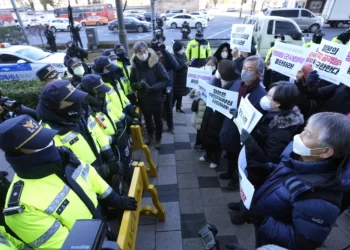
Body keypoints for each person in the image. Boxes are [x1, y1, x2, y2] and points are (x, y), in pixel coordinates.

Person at [0, 115, 137, 249]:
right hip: (88, 243)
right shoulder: (22, 206)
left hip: (101, 224)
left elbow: (90, 175)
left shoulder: (64, 158)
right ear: (18, 153)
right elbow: (62, 245)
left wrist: (114, 198)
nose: (49, 143)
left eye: (45, 137)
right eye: (38, 143)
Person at [247, 112, 350, 249]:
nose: (298, 136)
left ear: (325, 151)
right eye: (304, 129)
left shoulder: (321, 198)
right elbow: (289, 173)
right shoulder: (300, 156)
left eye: (308, 134)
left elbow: (302, 241)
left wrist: (264, 221)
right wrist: (268, 168)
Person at [228, 82, 304, 225]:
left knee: (253, 192)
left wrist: (250, 143)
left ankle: (245, 215)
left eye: (269, 96)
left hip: (260, 169)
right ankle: (242, 204)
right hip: (251, 161)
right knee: (247, 187)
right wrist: (238, 117)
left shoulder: (281, 131)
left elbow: (268, 159)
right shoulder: (270, 112)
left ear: (277, 103)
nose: (265, 97)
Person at [36, 80, 113, 179]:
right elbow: (67, 167)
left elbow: (96, 132)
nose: (76, 102)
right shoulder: (47, 133)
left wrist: (110, 156)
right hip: (88, 179)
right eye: (70, 100)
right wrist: (98, 172)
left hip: (101, 162)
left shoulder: (79, 113)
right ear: (53, 104)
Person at [219, 56, 267, 189]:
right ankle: (229, 171)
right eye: (244, 68)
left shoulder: (261, 94)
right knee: (230, 152)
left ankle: (236, 179)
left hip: (244, 133)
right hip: (230, 126)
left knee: (240, 156)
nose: (245, 72)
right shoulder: (237, 84)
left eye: (250, 69)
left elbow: (259, 119)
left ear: (258, 73)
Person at [130, 41, 171, 148]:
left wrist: (154, 88)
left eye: (144, 51)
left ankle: (158, 138)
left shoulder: (156, 64)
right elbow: (132, 82)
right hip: (143, 99)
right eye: (140, 53)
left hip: (156, 98)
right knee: (147, 119)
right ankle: (149, 135)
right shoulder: (135, 66)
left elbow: (166, 80)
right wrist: (138, 85)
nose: (143, 54)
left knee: (158, 120)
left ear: (147, 51)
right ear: (136, 54)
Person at [199, 59, 239, 169]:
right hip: (210, 113)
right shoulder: (217, 79)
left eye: (218, 69)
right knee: (207, 135)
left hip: (220, 117)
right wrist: (215, 78)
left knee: (216, 138)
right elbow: (210, 89)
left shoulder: (235, 84)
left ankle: (215, 159)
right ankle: (208, 154)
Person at [93, 56, 141, 126]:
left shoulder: (113, 81)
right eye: (108, 69)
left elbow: (122, 95)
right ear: (100, 70)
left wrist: (130, 108)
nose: (112, 71)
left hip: (124, 112)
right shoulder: (101, 88)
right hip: (117, 119)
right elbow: (110, 108)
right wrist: (126, 118)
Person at [151, 39, 179, 134]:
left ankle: (170, 126)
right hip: (156, 87)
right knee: (156, 109)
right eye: (157, 53)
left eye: (160, 54)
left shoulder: (166, 58)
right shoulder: (151, 60)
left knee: (168, 108)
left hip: (168, 86)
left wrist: (165, 51)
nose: (159, 56)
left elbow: (175, 65)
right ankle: (158, 125)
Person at [191, 56, 218, 150]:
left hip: (210, 104)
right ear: (205, 65)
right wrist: (194, 92)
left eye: (213, 65)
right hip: (201, 103)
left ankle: (204, 143)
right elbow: (193, 88)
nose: (210, 67)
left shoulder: (217, 77)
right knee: (199, 124)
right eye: (208, 64)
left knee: (207, 125)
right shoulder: (200, 73)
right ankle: (198, 142)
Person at [172, 41, 191, 113]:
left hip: (183, 77)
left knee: (181, 95)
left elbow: (185, 62)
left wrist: (188, 63)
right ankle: (169, 110)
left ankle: (178, 108)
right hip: (177, 79)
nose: (183, 49)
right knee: (175, 96)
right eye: (181, 48)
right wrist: (185, 64)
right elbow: (176, 68)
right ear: (177, 49)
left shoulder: (183, 54)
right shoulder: (174, 57)